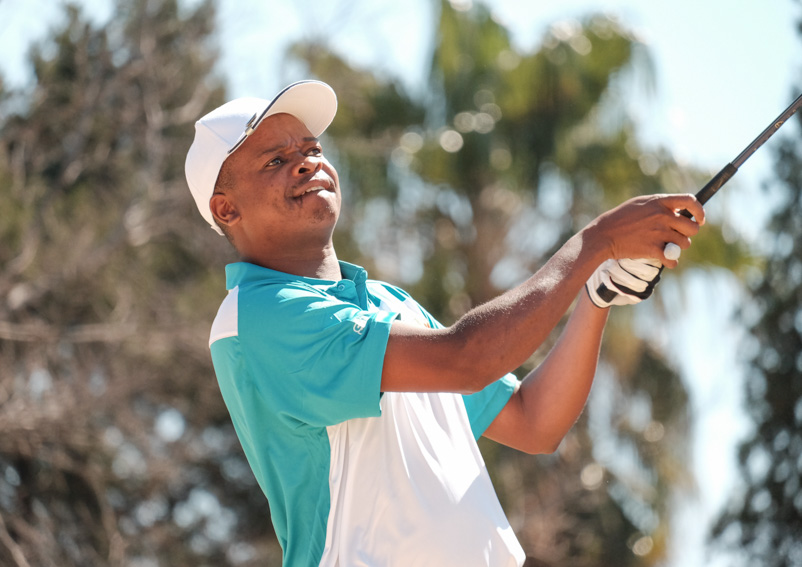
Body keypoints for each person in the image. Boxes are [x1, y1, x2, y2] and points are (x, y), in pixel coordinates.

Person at [183, 80, 705, 566]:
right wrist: (593, 242)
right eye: (276, 160)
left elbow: (534, 421)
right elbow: (469, 359)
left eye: (312, 149)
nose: (306, 164)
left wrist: (597, 293)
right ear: (226, 209)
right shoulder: (258, 317)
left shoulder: (387, 303)